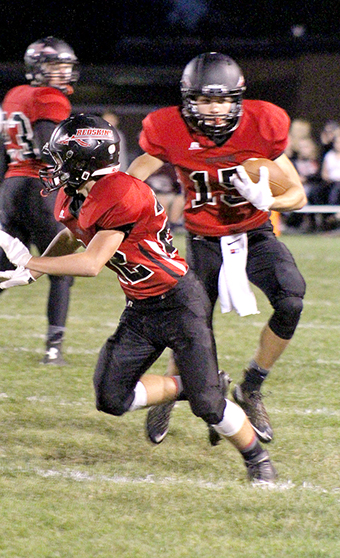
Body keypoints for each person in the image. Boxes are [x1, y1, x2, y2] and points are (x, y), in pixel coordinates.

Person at [0, 113, 276, 483]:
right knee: (110, 398)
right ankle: (189, 385)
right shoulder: (76, 194)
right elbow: (74, 235)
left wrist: (31, 259)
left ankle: (257, 459)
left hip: (180, 303)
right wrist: (35, 269)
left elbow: (92, 263)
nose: (54, 165)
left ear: (86, 160)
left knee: (209, 407)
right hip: (141, 306)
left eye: (62, 157)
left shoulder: (122, 193)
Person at [127, 52, 307, 445]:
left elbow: (297, 195)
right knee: (192, 326)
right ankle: (176, 388)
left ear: (237, 98)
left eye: (223, 99)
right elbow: (137, 173)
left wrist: (267, 199)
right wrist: (116, 202)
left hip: (254, 232)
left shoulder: (264, 123)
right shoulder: (168, 127)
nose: (215, 109)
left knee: (292, 299)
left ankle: (251, 387)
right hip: (204, 238)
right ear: (188, 100)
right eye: (206, 100)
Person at [0, 37, 79, 365]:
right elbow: (49, 149)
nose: (62, 73)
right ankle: (53, 349)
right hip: (38, 189)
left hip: (12, 186)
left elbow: (10, 147)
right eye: (55, 67)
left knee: (4, 270)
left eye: (65, 67)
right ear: (37, 69)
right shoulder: (50, 98)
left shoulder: (15, 94)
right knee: (62, 272)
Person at [145, 163, 185, 230]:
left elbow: (177, 185)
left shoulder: (168, 172)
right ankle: (163, 225)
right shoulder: (146, 175)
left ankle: (173, 225)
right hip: (153, 195)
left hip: (170, 194)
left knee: (179, 200)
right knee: (162, 201)